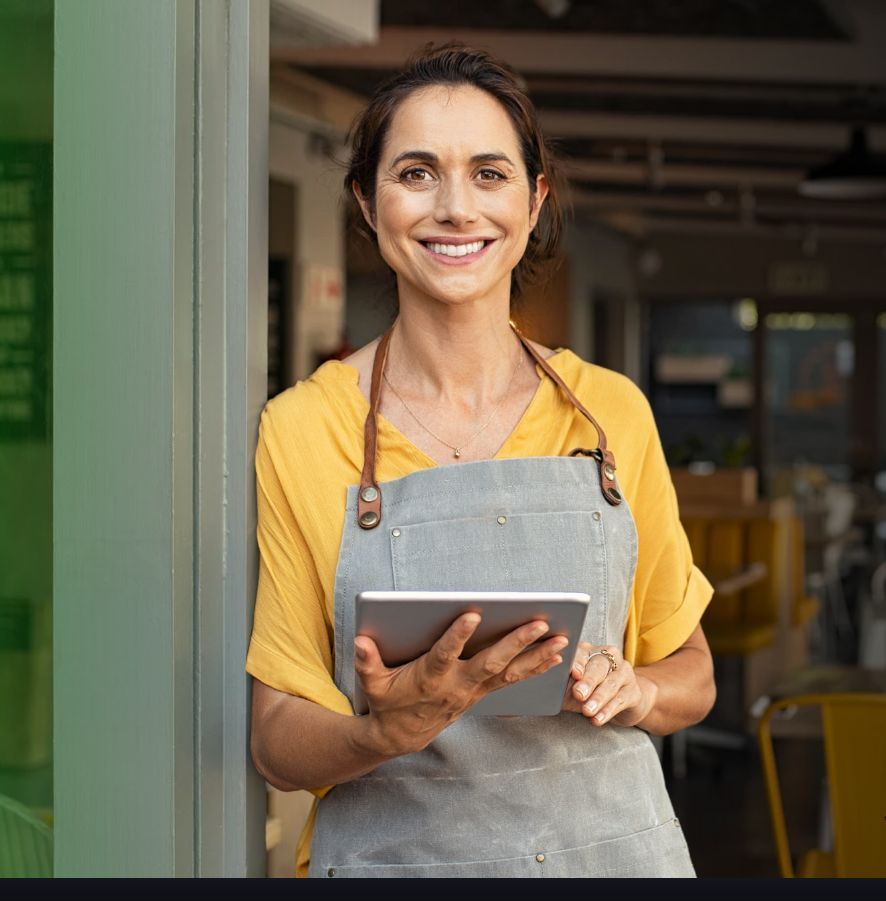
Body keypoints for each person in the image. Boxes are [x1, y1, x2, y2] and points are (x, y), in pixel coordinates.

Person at [246, 43, 716, 878]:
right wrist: (382, 730)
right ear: (366, 200)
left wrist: (638, 691)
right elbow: (278, 738)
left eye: (490, 174)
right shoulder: (304, 428)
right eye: (417, 173)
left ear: (534, 202)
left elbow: (693, 672)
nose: (456, 208)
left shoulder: (611, 415)